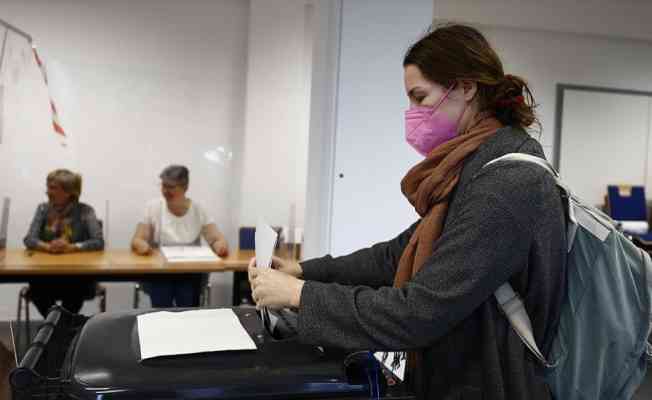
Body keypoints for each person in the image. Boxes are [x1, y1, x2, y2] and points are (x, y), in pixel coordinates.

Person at [248, 24, 567, 400]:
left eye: (420, 97)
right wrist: (304, 271)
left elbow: (420, 312)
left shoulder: (508, 182)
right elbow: (397, 254)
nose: (412, 114)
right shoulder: (475, 168)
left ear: (466, 87)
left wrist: (302, 294)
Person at [131, 165, 229, 307]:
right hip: (161, 271)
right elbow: (137, 239)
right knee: (162, 301)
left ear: (184, 187)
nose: (165, 191)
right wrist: (142, 245)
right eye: (163, 185)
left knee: (187, 300)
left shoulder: (198, 209)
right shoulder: (153, 207)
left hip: (190, 272)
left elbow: (216, 239)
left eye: (170, 187)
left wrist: (219, 246)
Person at [24, 169, 104, 317]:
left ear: (69, 192)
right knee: (36, 290)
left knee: (76, 290)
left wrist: (71, 247)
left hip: (76, 275)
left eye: (53, 188)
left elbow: (98, 242)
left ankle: (55, 331)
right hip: (46, 275)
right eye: (48, 187)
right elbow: (29, 239)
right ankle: (61, 330)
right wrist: (47, 247)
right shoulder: (43, 209)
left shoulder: (85, 211)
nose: (47, 192)